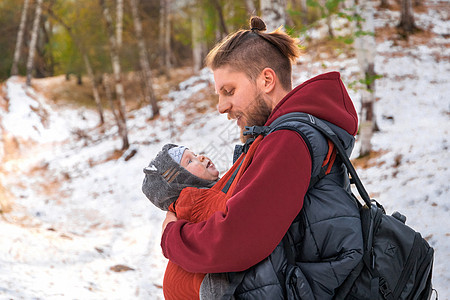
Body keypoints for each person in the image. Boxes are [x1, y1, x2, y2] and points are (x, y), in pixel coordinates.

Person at [160, 16, 364, 299]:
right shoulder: (284, 134)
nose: (222, 107)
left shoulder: (288, 140)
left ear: (267, 79)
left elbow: (236, 240)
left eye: (229, 91)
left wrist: (172, 236)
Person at [142, 141, 263, 299]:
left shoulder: (204, 195)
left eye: (195, 154)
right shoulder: (193, 200)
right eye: (190, 161)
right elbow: (233, 208)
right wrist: (255, 147)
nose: (202, 157)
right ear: (179, 180)